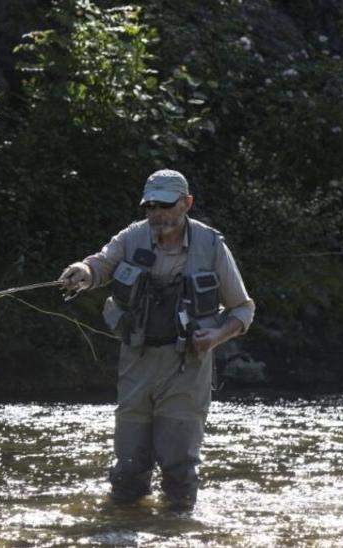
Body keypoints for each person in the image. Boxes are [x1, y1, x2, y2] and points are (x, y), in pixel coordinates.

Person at [58, 169, 255, 511]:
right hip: (138, 361)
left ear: (186, 203)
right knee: (128, 469)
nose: (156, 213)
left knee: (179, 470)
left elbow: (242, 309)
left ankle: (177, 532)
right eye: (150, 206)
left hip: (187, 366)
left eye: (164, 205)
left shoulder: (211, 245)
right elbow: (100, 264)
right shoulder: (133, 236)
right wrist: (83, 273)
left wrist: (216, 336)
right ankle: (124, 526)